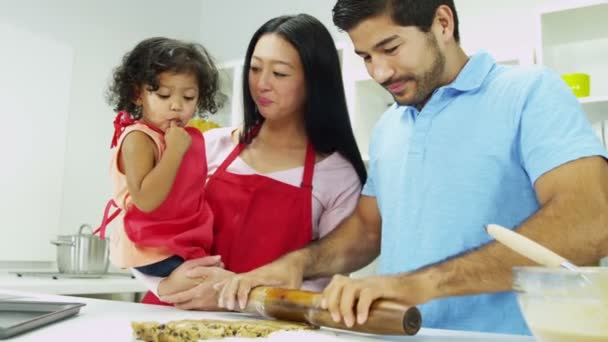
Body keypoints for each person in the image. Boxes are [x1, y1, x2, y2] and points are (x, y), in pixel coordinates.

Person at [216, 0, 608, 335]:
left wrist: (421, 284)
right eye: (367, 57)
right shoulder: (391, 125)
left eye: (391, 48)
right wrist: (296, 264)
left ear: (442, 23)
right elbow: (368, 230)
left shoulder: (529, 92)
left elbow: (591, 221)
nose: (380, 72)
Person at [132, 14, 367, 308]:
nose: (261, 84)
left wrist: (232, 298)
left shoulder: (337, 176)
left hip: (261, 331)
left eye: (280, 73)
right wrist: (164, 283)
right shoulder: (207, 146)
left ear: (315, 81)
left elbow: (319, 287)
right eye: (255, 69)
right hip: (168, 314)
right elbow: (139, 225)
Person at [95, 37, 223, 279]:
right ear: (137, 94)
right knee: (216, 287)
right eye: (164, 95)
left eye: (188, 97)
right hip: (148, 249)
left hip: (179, 243)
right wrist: (174, 152)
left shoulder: (186, 137)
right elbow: (145, 199)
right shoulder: (139, 138)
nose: (177, 106)